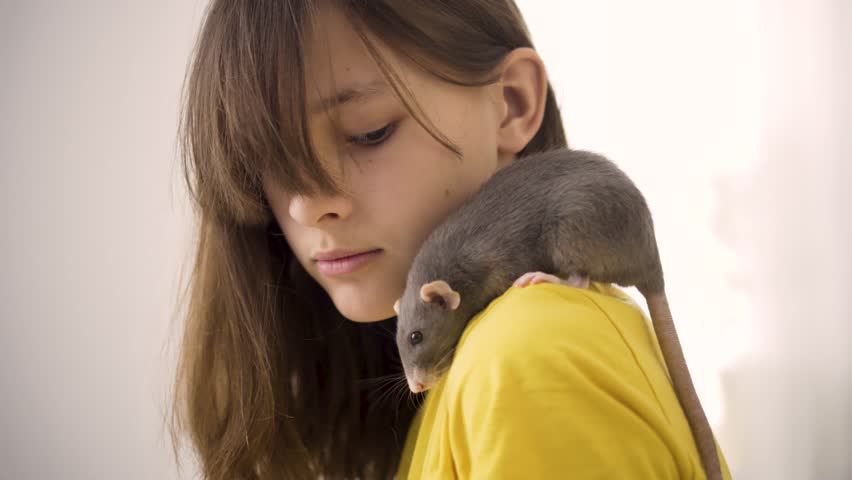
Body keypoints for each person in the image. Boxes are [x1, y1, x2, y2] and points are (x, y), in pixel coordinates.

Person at [170, 0, 732, 478]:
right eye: (272, 160)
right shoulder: (475, 360)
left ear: (510, 103)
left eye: (369, 132)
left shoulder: (526, 356)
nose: (306, 204)